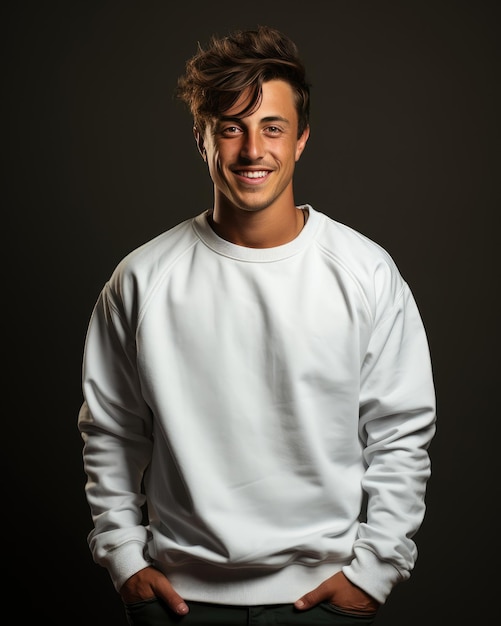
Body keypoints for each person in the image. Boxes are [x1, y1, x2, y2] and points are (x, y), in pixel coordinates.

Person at [78, 25, 437, 626]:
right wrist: (122, 555)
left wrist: (376, 570)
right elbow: (111, 431)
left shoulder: (365, 271)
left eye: (272, 127)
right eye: (230, 127)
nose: (252, 150)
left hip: (324, 598)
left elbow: (401, 431)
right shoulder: (141, 278)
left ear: (300, 141)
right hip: (179, 603)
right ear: (202, 140)